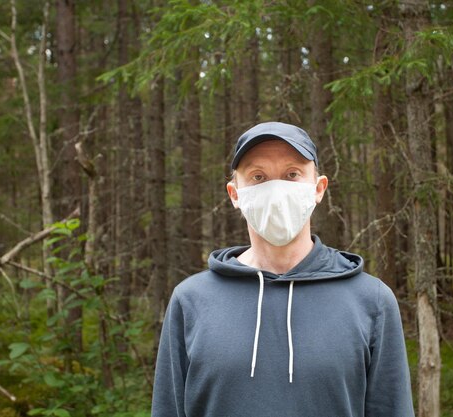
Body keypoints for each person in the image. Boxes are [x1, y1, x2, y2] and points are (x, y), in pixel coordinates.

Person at [151, 121, 415, 417]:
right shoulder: (191, 301)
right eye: (258, 176)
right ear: (235, 194)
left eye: (292, 174)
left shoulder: (371, 300)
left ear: (318, 189)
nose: (276, 189)